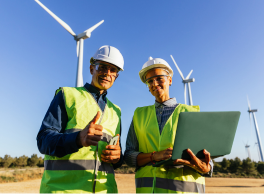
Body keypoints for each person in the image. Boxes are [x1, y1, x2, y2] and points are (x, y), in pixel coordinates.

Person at [37, 45, 124, 193]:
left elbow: (115, 158)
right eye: (102, 67)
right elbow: (43, 140)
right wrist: (77, 139)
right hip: (63, 190)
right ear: (92, 69)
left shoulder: (116, 111)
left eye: (113, 70)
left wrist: (117, 158)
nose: (107, 73)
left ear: (116, 76)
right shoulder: (67, 95)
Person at [124, 57, 213, 193]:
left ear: (170, 80)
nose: (154, 84)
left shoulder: (191, 113)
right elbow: (129, 155)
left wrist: (207, 168)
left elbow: (207, 160)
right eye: (150, 81)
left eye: (159, 78)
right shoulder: (139, 115)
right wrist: (153, 156)